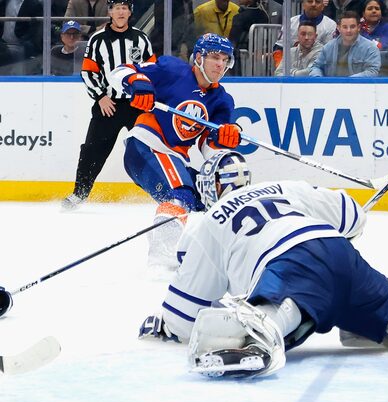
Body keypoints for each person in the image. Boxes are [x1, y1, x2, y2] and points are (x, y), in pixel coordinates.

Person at [138, 150, 388, 378]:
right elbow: (353, 216)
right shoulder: (284, 187)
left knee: (273, 313)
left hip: (287, 265)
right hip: (339, 252)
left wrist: (162, 326)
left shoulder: (208, 224)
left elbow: (183, 318)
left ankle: (261, 329)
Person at [107, 33, 242, 273]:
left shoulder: (222, 100)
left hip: (176, 158)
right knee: (178, 194)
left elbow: (209, 148)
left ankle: (201, 251)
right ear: (198, 57)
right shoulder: (172, 70)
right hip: (147, 146)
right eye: (214, 57)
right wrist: (137, 82)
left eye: (225, 60)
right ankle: (162, 257)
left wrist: (224, 138)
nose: (220, 65)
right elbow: (118, 72)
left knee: (207, 199)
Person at [62, 0, 155, 210]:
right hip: (108, 105)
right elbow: (88, 72)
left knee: (150, 148)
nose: (121, 12)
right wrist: (101, 96)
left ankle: (162, 191)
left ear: (130, 12)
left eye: (125, 8)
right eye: (117, 8)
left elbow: (152, 70)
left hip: (137, 106)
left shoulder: (141, 39)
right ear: (110, 12)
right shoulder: (97, 40)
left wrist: (146, 95)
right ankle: (79, 193)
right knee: (92, 150)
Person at [310, 11, 381, 77]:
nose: (348, 30)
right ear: (338, 28)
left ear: (359, 27)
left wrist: (348, 82)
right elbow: (316, 67)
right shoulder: (328, 47)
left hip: (358, 86)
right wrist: (318, 78)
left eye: (352, 27)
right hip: (332, 86)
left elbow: (372, 72)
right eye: (345, 27)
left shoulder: (370, 48)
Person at [272, 0, 337, 70]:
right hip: (291, 68)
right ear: (303, 5)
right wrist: (281, 67)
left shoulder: (330, 25)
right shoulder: (291, 22)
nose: (313, 4)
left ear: (323, 6)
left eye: (317, 2)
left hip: (319, 70)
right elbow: (279, 48)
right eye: (310, 1)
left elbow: (330, 54)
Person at [0, 0, 43, 75]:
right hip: (3, 44)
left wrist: (24, 41)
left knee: (19, 72)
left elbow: (35, 30)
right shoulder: (4, 2)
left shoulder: (34, 4)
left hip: (22, 45)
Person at [228, 0, 269, 76]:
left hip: (241, 58)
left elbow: (232, 39)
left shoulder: (240, 17)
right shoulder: (264, 15)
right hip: (260, 59)